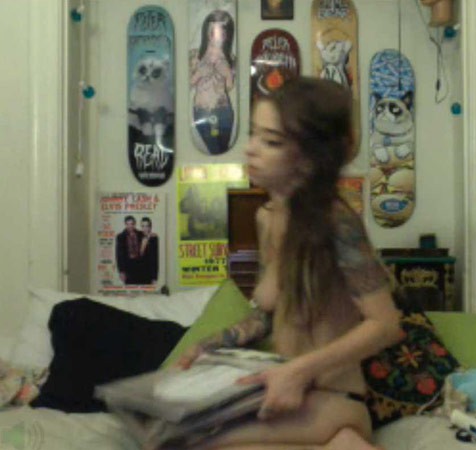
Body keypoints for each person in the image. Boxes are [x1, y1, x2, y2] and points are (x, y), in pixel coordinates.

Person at [176, 77, 402, 450]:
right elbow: (269, 314)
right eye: (253, 134)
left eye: (271, 141)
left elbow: (386, 324)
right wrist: (207, 347)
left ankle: (345, 439)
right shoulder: (266, 218)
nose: (250, 149)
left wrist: (298, 371)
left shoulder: (336, 222)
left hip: (332, 399)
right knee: (166, 429)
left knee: (179, 439)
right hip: (288, 398)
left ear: (309, 157)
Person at [190, 10, 235, 155]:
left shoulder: (231, 57)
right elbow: (187, 84)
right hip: (202, 110)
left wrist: (227, 74)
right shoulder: (195, 55)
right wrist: (199, 73)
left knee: (224, 150)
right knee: (215, 151)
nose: (216, 36)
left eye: (222, 32)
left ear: (226, 35)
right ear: (207, 32)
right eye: (213, 31)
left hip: (224, 110)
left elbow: (229, 86)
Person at [115, 215, 144, 285]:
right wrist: (121, 271)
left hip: (140, 266)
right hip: (128, 267)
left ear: (134, 224)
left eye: (131, 224)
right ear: (125, 225)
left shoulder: (141, 234)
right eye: (128, 224)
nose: (130, 226)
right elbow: (119, 255)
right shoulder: (120, 237)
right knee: (130, 286)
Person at [138, 217, 159, 285]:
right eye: (143, 226)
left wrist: (154, 278)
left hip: (149, 274)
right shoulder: (138, 237)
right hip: (138, 273)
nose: (144, 229)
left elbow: (155, 259)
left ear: (150, 227)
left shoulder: (154, 239)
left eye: (147, 226)